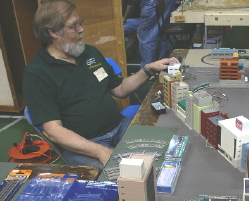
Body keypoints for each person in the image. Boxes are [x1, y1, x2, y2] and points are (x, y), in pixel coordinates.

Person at [23, 0, 179, 171]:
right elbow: (54, 131)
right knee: (124, 177)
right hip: (86, 145)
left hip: (119, 127)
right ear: (53, 32)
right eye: (73, 26)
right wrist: (100, 151)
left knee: (166, 152)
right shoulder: (37, 74)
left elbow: (120, 89)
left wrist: (147, 70)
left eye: (80, 23)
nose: (81, 29)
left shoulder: (89, 52)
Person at [138, 0, 177, 68]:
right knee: (165, 31)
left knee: (147, 37)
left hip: (154, 2)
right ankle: (164, 64)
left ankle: (148, 70)